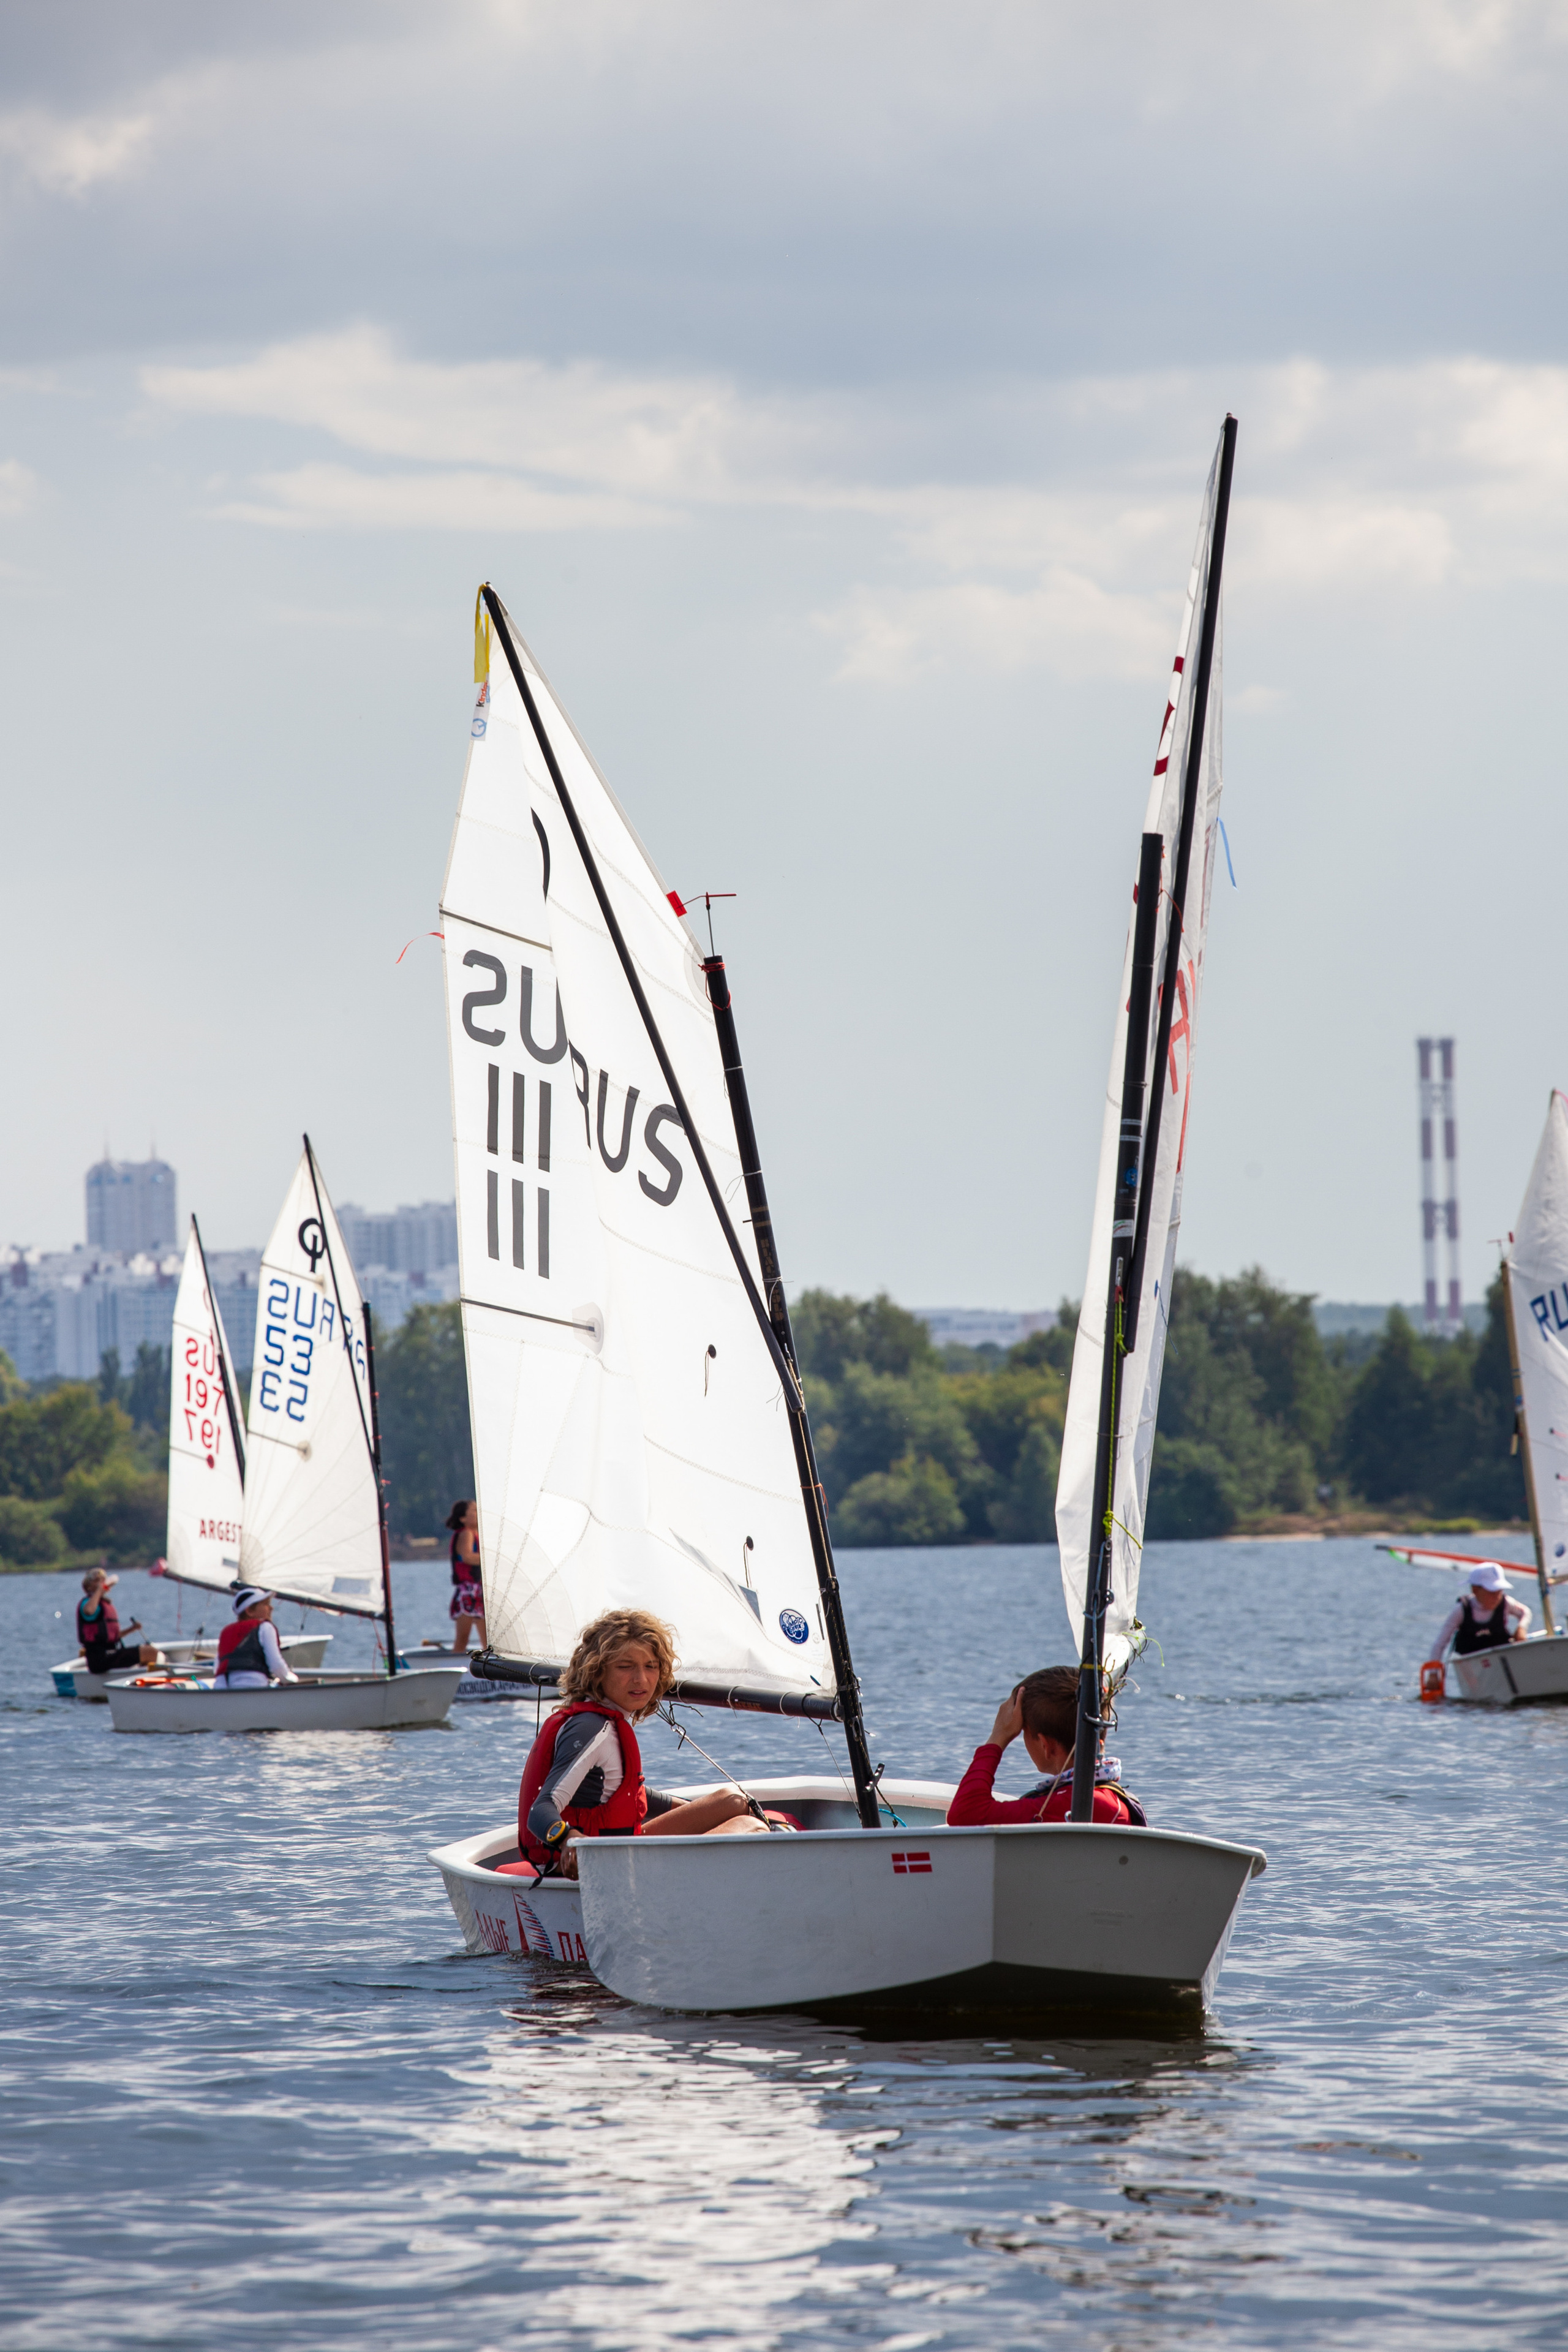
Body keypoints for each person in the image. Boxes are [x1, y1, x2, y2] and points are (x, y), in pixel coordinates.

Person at [508, 1608, 772, 1879]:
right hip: (605, 1864)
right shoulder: (592, 1729)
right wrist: (570, 1840)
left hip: (620, 1848)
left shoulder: (604, 1720)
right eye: (625, 1667)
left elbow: (625, 1793)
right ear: (597, 1671)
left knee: (733, 1802)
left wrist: (703, 1811)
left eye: (651, 1666)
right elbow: (540, 1810)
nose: (641, 1679)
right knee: (752, 1828)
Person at [947, 1665, 1146, 1827]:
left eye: (1022, 1731)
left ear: (1046, 1746)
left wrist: (998, 1737)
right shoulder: (1109, 1798)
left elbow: (965, 1814)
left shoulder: (1077, 1804)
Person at [1430, 1561, 1531, 1662]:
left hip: (1501, 1661)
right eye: (1492, 1592)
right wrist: (1433, 1672)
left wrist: (1521, 1628)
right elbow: (1440, 1644)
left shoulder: (1506, 1603)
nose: (1497, 1597)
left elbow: (1526, 1612)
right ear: (1475, 1590)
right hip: (1471, 1666)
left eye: (1500, 1591)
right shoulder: (1461, 1610)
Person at [75, 1569, 156, 1676]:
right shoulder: (88, 1604)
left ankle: (145, 1679)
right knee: (150, 1653)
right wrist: (99, 1591)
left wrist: (132, 1629)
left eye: (102, 1580)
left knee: (148, 1651)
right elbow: (89, 1611)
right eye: (97, 1581)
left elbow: (115, 1636)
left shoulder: (103, 1604)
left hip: (109, 1654)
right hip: (99, 1658)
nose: (101, 1583)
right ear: (89, 1587)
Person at [214, 1588, 300, 1688]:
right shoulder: (265, 1627)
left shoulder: (226, 1632)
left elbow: (218, 1667)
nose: (271, 1608)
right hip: (254, 1686)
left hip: (224, 1688)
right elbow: (276, 1664)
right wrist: (289, 1679)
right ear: (249, 1611)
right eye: (266, 1604)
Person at [446, 1499, 484, 1653]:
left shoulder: (478, 1534)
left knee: (489, 1641)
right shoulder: (466, 1533)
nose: (478, 1513)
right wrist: (491, 1559)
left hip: (480, 1592)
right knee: (463, 1638)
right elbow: (467, 1556)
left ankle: (491, 1670)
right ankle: (453, 1668)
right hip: (467, 1592)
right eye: (474, 1511)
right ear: (463, 1518)